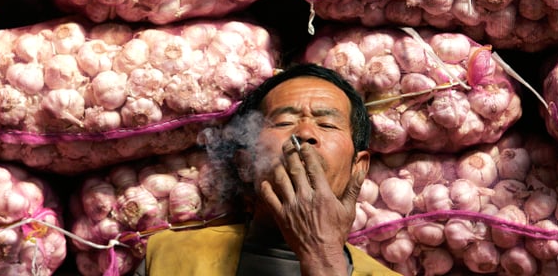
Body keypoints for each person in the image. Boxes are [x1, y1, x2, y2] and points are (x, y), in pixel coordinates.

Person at [137, 63, 401, 275]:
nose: (305, 133)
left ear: (358, 169)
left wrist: (323, 258)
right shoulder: (168, 257)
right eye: (284, 122)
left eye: (328, 125)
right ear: (245, 165)